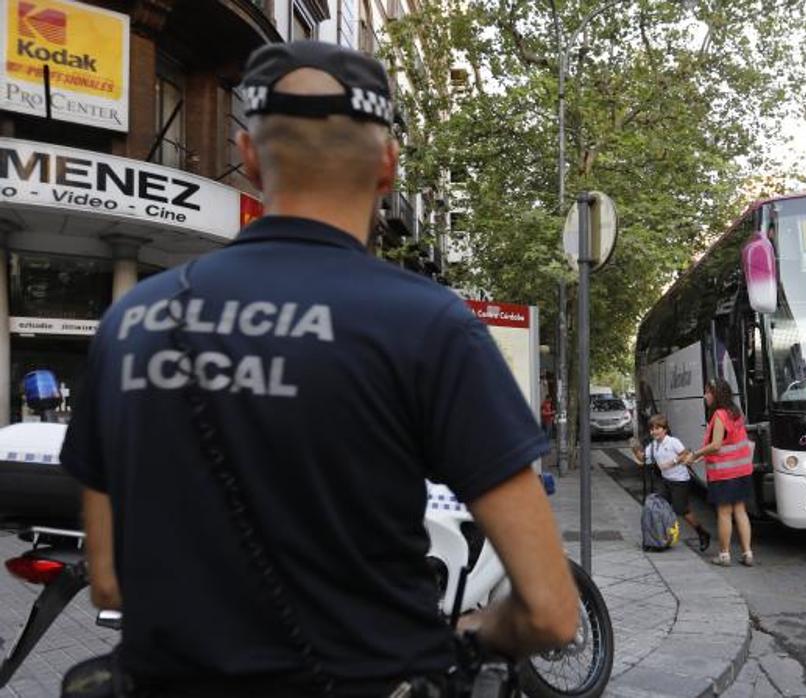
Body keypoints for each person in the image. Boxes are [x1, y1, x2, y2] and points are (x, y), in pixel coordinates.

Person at [60, 41, 578, 696]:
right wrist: (471, 635)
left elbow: (107, 580)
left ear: (248, 156)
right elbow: (552, 612)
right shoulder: (430, 326)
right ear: (387, 166)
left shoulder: (130, 320)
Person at [679, 379, 755, 566]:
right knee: (740, 511)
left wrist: (695, 454)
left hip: (724, 473)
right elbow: (729, 443)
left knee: (724, 513)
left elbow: (717, 445)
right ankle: (748, 553)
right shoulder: (736, 412)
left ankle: (724, 555)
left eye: (708, 392)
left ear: (716, 394)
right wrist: (699, 458)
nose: (705, 396)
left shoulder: (719, 415)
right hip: (742, 470)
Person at [629, 415, 711, 552]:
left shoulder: (673, 442)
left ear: (665, 430)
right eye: (652, 429)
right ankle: (658, 537)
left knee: (682, 510)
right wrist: (635, 449)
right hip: (665, 481)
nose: (654, 432)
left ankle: (702, 533)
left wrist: (672, 462)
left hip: (680, 481)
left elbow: (686, 454)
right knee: (658, 506)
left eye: (657, 428)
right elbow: (643, 459)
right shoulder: (653, 446)